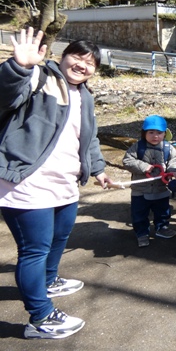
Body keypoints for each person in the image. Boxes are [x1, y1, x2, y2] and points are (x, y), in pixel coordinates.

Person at [0, 29, 113, 339]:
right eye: (77, 56)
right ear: (63, 57)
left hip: (65, 182)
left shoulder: (85, 95)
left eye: (90, 63)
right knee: (34, 250)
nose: (82, 65)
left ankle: (49, 280)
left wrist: (99, 169)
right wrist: (18, 67)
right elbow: (5, 96)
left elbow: (89, 138)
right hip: (27, 181)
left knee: (60, 236)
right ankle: (40, 317)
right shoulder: (38, 78)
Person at [123, 115, 176, 247]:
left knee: (163, 211)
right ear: (144, 133)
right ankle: (142, 233)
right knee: (139, 213)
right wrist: (143, 167)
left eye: (159, 133)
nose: (155, 136)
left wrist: (171, 170)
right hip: (141, 190)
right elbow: (127, 160)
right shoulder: (138, 147)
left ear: (165, 133)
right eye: (151, 132)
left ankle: (162, 227)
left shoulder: (168, 147)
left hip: (161, 188)